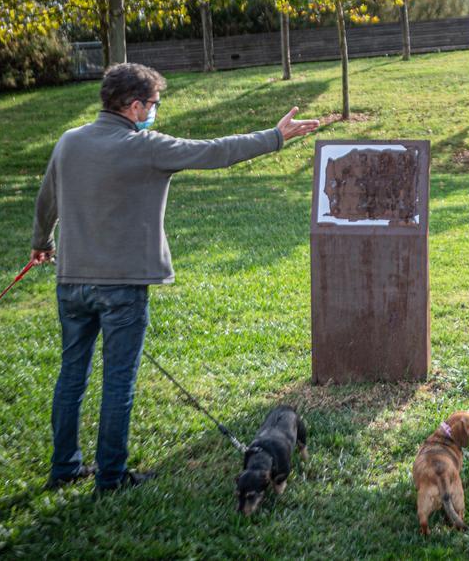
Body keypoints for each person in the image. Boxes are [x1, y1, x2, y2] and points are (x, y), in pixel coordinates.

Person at [30, 63, 319, 493]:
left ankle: (64, 467)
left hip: (71, 283)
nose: (154, 112)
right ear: (134, 105)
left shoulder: (68, 142)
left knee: (72, 374)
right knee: (118, 382)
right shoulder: (144, 145)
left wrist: (41, 242)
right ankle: (110, 477)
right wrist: (276, 136)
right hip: (122, 287)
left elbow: (47, 198)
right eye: (153, 105)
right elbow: (215, 151)